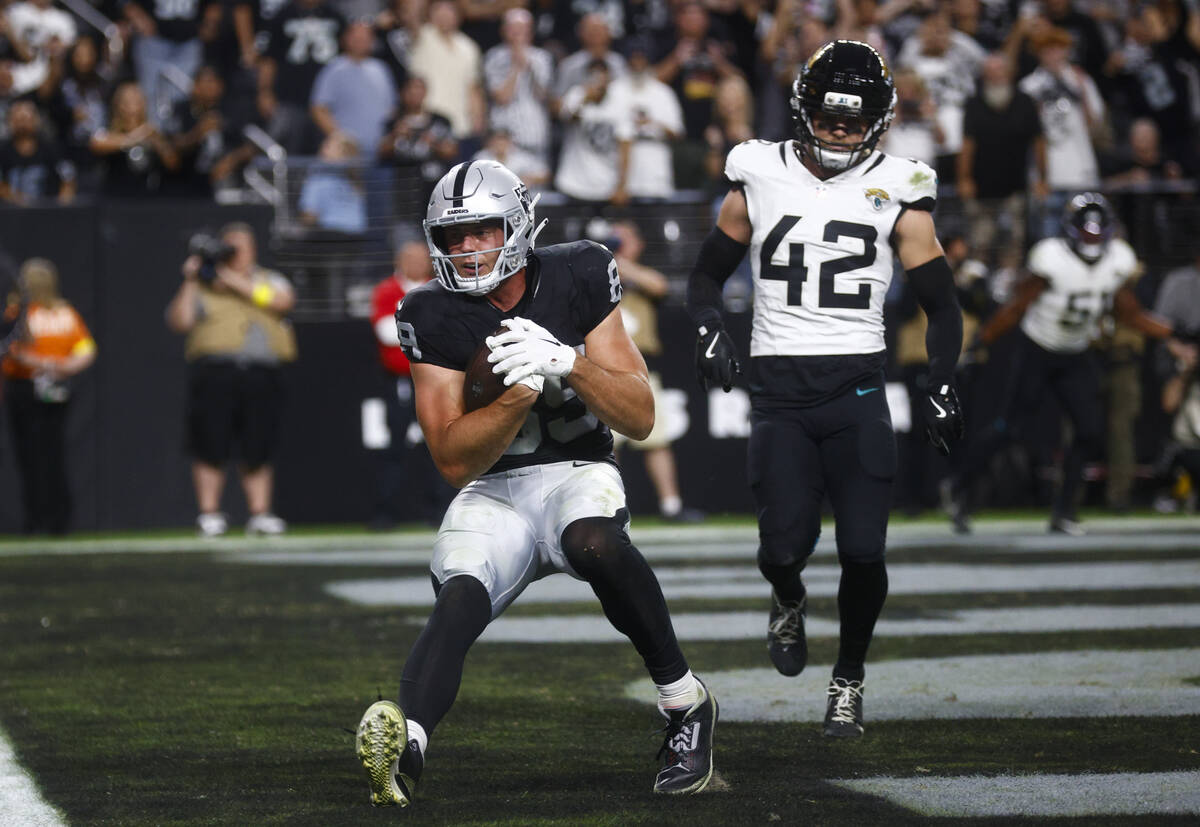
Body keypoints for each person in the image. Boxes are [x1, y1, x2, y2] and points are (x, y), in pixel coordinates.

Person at [355, 160, 717, 807]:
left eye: (483, 230)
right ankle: (405, 748)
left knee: (593, 540)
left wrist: (567, 362)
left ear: (517, 223)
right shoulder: (430, 312)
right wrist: (515, 398)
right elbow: (451, 459)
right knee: (462, 592)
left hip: (578, 470)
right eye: (452, 236)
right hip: (494, 487)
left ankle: (686, 702)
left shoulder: (578, 270)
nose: (467, 249)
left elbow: (639, 413)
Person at [685, 40, 964, 738]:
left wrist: (943, 380)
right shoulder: (757, 168)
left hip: (857, 387)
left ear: (879, 119)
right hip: (779, 390)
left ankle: (849, 678)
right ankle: (786, 595)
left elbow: (944, 301)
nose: (840, 129)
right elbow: (703, 277)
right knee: (784, 544)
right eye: (830, 116)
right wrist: (708, 329)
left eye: (854, 118)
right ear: (806, 109)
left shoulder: (903, 183)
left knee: (865, 547)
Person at [945, 192, 1182, 535]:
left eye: (1097, 232)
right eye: (1086, 231)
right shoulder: (1051, 258)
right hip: (1038, 349)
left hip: (1076, 352)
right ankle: (961, 490)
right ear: (1071, 230)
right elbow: (1016, 307)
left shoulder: (1118, 259)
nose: (1092, 238)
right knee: (1008, 429)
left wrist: (1176, 332)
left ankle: (1064, 511)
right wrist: (981, 342)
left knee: (1089, 431)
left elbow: (1128, 312)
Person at [165, 222, 297, 537]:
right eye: (231, 246)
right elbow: (180, 320)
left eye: (243, 246)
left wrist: (230, 278)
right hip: (216, 371)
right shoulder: (203, 284)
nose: (237, 252)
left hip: (261, 371)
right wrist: (191, 279)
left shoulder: (268, 280)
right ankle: (210, 514)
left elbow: (280, 302)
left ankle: (260, 513)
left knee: (258, 443)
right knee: (210, 442)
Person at [607, 220, 703, 522]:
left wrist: (622, 263)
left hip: (642, 371)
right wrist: (608, 262)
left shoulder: (642, 275)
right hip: (605, 370)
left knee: (657, 441)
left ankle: (671, 506)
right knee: (607, 447)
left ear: (638, 243)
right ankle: (608, 509)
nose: (618, 241)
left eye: (624, 236)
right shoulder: (596, 270)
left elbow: (660, 286)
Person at [1, 257, 96, 534]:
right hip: (54, 385)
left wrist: (45, 364)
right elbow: (86, 350)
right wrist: (62, 366)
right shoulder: (64, 313)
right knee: (51, 454)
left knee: (34, 456)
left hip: (29, 387)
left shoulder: (19, 312)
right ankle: (56, 521)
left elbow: (10, 347)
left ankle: (40, 520)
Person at [366, 237, 452, 528]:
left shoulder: (441, 288)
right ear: (399, 262)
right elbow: (386, 332)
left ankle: (440, 509)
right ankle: (385, 513)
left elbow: (450, 330)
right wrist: (431, 329)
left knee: (441, 443)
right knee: (395, 448)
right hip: (400, 380)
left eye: (421, 258)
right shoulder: (386, 291)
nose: (416, 264)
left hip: (438, 379)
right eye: (410, 258)